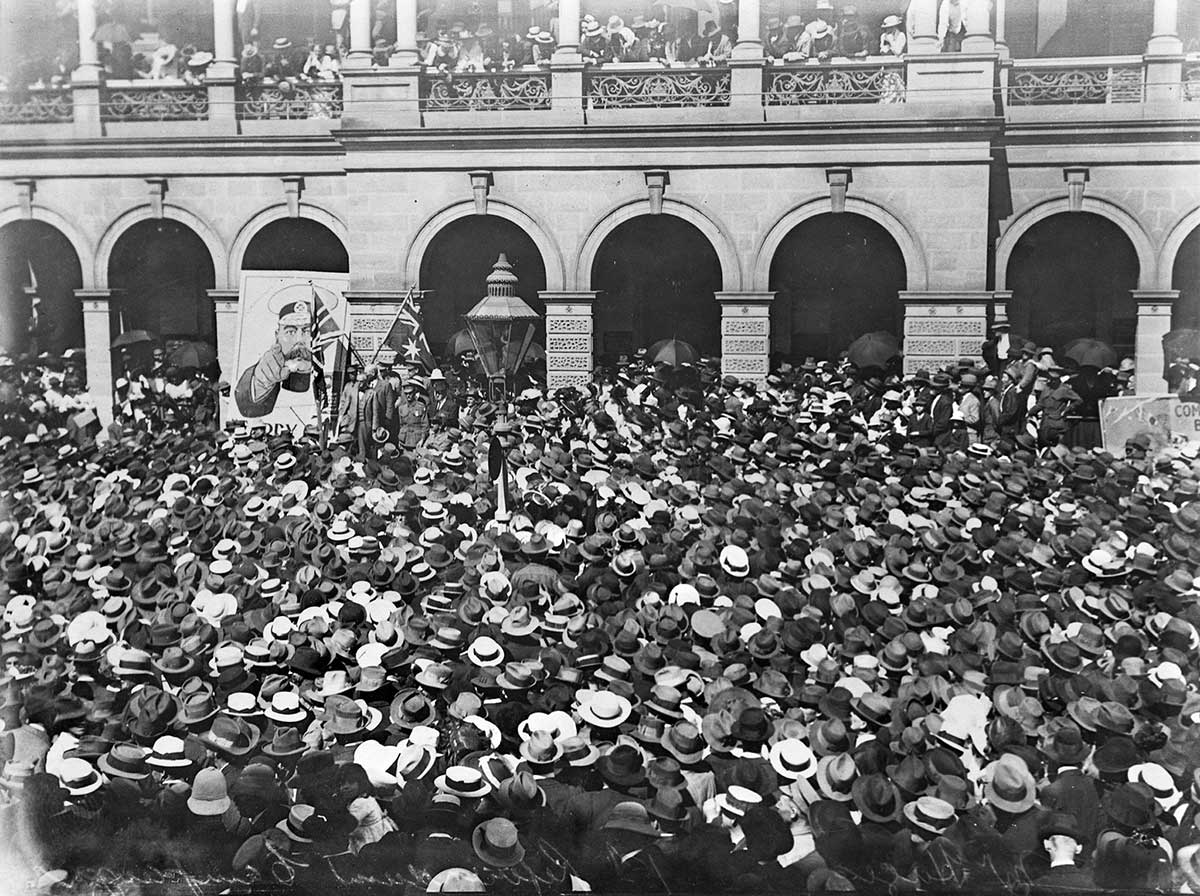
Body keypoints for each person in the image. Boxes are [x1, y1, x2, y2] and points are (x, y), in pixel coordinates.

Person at [233, 300, 312, 418]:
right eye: (290, 332)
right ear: (277, 336)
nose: (299, 340)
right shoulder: (271, 364)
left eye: (307, 331)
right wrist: (260, 382)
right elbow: (247, 406)